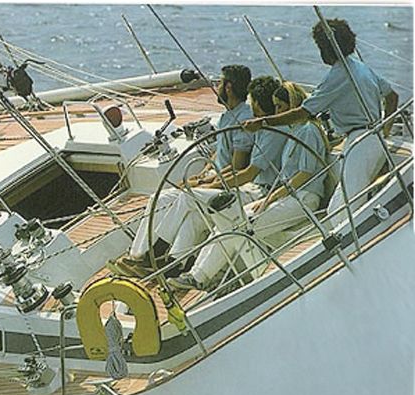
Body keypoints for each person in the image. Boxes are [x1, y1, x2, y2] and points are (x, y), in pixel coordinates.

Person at [115, 74, 288, 278]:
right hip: (243, 186)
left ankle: (156, 253)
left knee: (188, 197)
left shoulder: (272, 132)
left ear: (258, 102)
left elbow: (248, 172)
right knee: (171, 204)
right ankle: (161, 261)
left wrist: (208, 186)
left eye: (253, 101)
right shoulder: (260, 127)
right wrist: (204, 180)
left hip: (258, 191)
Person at [169, 82, 329, 292]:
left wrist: (270, 198)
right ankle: (200, 275)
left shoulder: (307, 131)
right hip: (290, 196)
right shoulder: (297, 130)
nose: (277, 112)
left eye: (280, 107)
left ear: (293, 105)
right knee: (229, 220)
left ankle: (202, 278)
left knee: (239, 223)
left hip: (304, 197)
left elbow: (305, 173)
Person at [242, 18, 398, 224]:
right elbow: (392, 96)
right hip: (372, 139)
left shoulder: (337, 75)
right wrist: (384, 130)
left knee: (340, 212)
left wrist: (262, 123)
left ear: (326, 48)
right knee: (343, 207)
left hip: (360, 143)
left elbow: (302, 113)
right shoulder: (361, 67)